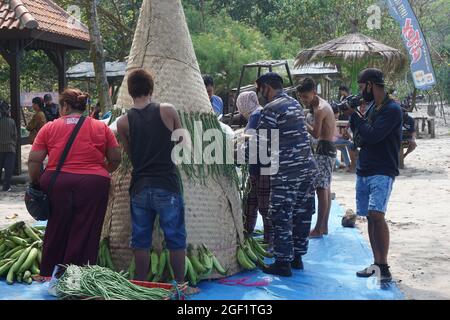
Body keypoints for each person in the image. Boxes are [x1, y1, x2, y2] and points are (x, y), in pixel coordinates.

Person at [27, 88, 121, 285]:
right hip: (93, 186)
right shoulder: (101, 127)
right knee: (86, 229)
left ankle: (48, 274)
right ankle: (79, 278)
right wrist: (98, 171)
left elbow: (35, 160)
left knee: (56, 226)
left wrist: (36, 182)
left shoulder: (50, 127)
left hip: (57, 183)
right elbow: (115, 158)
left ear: (65, 106)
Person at [116, 69, 198, 293]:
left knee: (140, 239)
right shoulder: (168, 110)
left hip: (140, 187)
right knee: (175, 237)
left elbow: (130, 155)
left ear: (130, 92)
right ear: (151, 89)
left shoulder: (122, 122)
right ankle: (180, 286)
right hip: (167, 185)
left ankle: (141, 286)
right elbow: (184, 142)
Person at [256, 72, 317, 277]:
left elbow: (263, 146)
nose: (260, 94)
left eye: (260, 89)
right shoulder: (294, 104)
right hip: (307, 169)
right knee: (302, 213)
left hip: (286, 171)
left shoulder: (270, 109)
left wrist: (239, 151)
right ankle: (297, 258)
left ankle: (282, 262)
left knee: (281, 214)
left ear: (266, 87)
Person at [345, 68, 402, 283]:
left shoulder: (392, 109)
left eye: (362, 88)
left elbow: (374, 135)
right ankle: (376, 263)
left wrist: (355, 117)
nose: (361, 93)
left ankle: (384, 266)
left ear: (370, 85)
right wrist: (354, 116)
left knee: (377, 215)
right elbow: (360, 137)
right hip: (365, 168)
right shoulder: (371, 108)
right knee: (369, 216)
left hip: (382, 169)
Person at [297, 78, 336, 238]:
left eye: (305, 97)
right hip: (325, 149)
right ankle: (324, 226)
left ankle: (319, 229)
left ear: (314, 92)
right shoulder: (315, 105)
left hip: (324, 150)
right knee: (325, 187)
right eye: (301, 97)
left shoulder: (320, 109)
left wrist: (302, 122)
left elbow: (316, 133)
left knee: (321, 188)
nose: (303, 100)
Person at [236, 91, 273, 249]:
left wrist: (236, 155)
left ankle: (269, 240)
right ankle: (246, 233)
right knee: (251, 200)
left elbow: (249, 141)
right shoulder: (261, 111)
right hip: (260, 165)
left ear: (244, 105)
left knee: (263, 204)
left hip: (262, 166)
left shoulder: (256, 115)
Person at [332, 105, 358, 172]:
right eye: (337, 113)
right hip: (333, 140)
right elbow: (335, 134)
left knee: (343, 148)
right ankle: (352, 165)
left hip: (333, 139)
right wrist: (342, 136)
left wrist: (342, 135)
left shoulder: (332, 119)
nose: (338, 114)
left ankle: (348, 165)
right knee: (349, 143)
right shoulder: (332, 120)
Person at [0, 101, 17, 192]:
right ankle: (6, 187)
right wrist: (13, 144)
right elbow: (15, 135)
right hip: (10, 148)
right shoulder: (11, 121)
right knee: (8, 169)